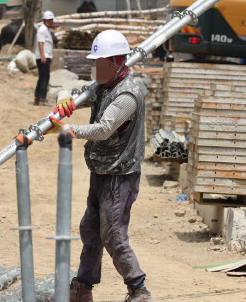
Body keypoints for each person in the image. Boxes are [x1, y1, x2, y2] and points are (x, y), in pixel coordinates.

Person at [47, 30, 151, 302]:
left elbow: (105, 129)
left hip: (120, 173)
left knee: (113, 233)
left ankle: (138, 289)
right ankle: (83, 287)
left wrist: (69, 130)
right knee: (91, 228)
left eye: (101, 63)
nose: (97, 68)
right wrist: (64, 94)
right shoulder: (104, 85)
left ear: (118, 62)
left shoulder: (128, 94)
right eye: (96, 63)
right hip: (101, 170)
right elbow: (82, 93)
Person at [34, 10, 55, 106]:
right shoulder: (42, 29)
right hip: (43, 56)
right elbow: (40, 43)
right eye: (49, 20)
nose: (51, 22)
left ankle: (37, 98)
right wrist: (43, 56)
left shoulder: (46, 29)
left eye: (51, 20)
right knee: (45, 78)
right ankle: (42, 99)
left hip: (46, 56)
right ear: (44, 20)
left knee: (42, 77)